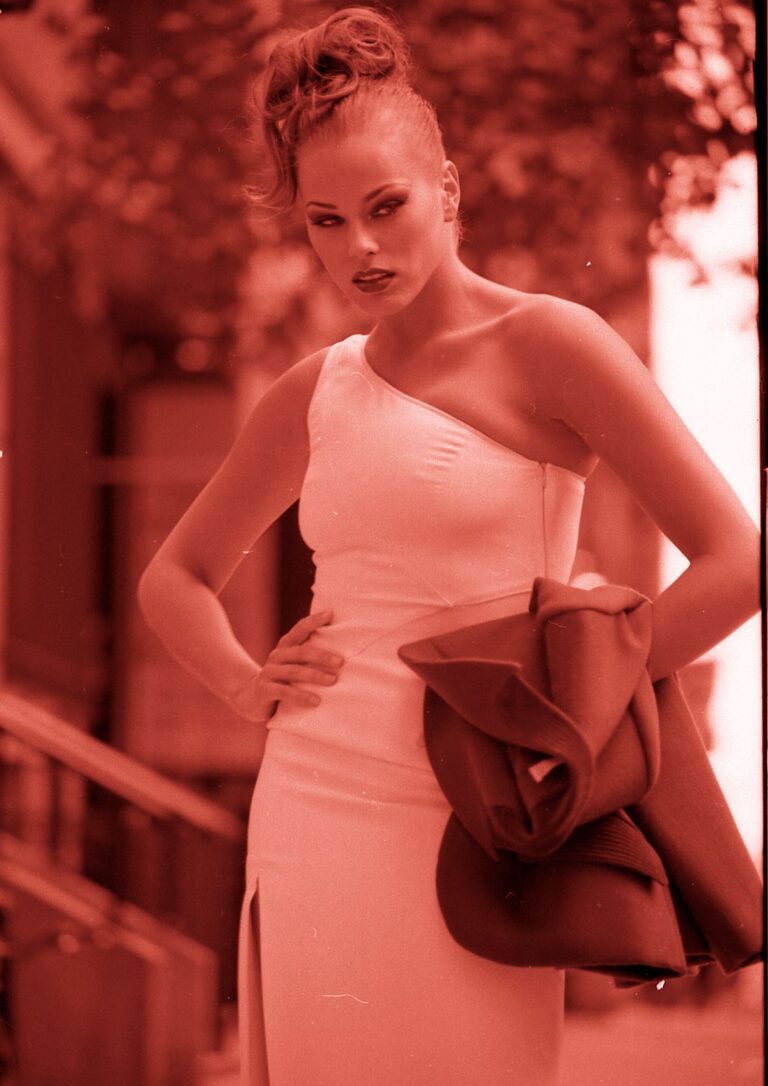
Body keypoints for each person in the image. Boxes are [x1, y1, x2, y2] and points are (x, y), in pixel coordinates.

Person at [137, 7, 760, 1084]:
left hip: (481, 810)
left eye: (387, 207)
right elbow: (175, 578)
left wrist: (578, 704)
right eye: (327, 222)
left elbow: (737, 561)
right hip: (313, 799)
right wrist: (245, 685)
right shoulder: (313, 392)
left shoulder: (553, 343)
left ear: (450, 191)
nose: (361, 248)